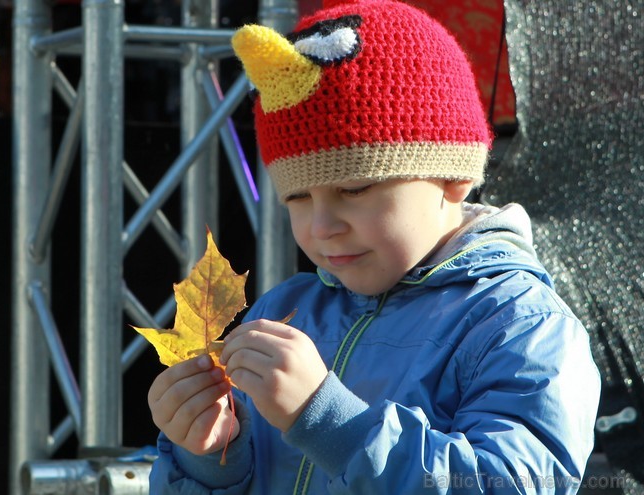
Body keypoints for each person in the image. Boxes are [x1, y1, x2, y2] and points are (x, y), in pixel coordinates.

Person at [146, 0, 601, 493]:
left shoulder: (520, 326)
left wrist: (329, 420)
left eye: (355, 190)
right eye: (297, 197)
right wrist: (211, 459)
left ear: (453, 177)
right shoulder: (286, 309)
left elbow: (517, 484)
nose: (322, 226)